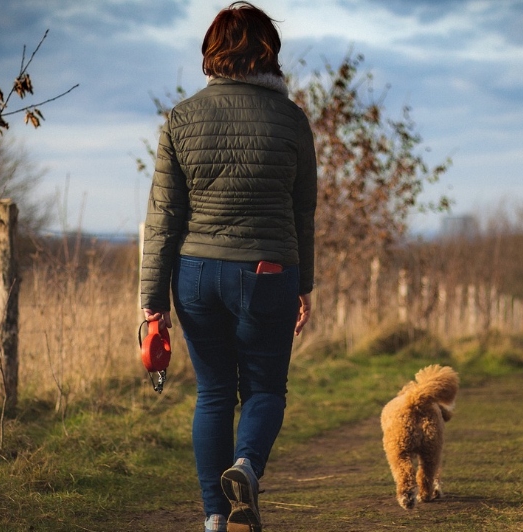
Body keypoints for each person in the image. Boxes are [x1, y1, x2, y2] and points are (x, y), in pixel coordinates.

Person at [139, 3, 317, 531]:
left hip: (195, 275)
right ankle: (245, 468)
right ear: (269, 53)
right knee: (264, 390)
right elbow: (302, 210)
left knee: (213, 393)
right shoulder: (291, 120)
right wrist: (304, 284)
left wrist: (153, 301)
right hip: (267, 272)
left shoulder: (182, 117)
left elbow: (164, 214)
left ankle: (215, 519)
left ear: (212, 52)